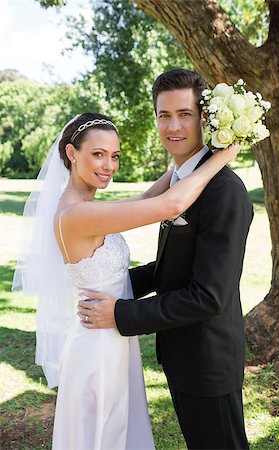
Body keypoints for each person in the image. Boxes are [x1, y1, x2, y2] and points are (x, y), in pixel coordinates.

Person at [13, 110, 240, 450]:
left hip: (113, 335)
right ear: (72, 154)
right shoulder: (76, 215)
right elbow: (170, 204)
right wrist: (223, 155)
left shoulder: (86, 206)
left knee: (121, 428)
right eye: (98, 154)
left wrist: (187, 161)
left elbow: (146, 200)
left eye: (115, 155)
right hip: (98, 347)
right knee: (106, 432)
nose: (109, 165)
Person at [78, 69, 253, 450]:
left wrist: (122, 314)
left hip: (208, 360)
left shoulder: (224, 192)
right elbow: (171, 269)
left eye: (184, 114)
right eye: (163, 115)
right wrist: (112, 283)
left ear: (205, 118)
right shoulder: (180, 179)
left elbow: (208, 296)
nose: (173, 126)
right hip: (182, 355)